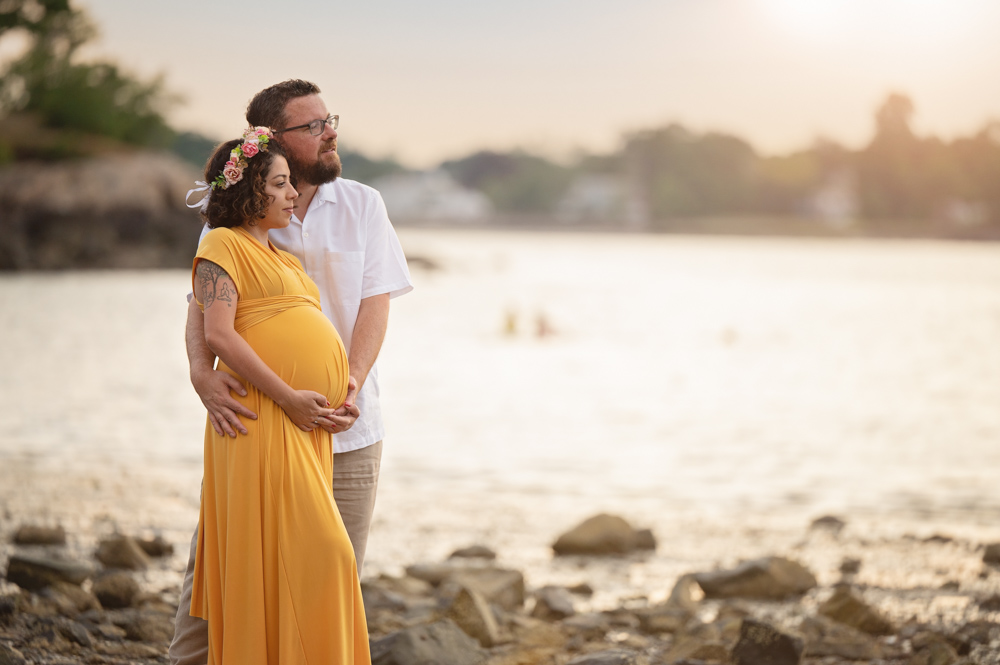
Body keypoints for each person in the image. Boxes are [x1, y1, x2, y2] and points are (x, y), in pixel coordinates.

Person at [171, 80, 412, 665]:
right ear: (270, 142)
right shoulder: (229, 222)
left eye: (329, 119)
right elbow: (204, 309)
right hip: (256, 426)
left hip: (346, 428)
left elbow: (375, 304)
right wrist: (202, 374)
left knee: (333, 569)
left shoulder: (362, 204)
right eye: (312, 126)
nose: (330, 131)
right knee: (224, 572)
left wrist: (347, 383)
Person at [189, 131, 369, 663]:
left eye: (291, 183)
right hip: (262, 419)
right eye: (280, 183)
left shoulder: (286, 259)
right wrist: (289, 396)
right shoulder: (221, 243)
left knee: (301, 560)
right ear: (249, 192)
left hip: (303, 425)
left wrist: (341, 392)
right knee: (328, 555)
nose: (293, 194)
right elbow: (218, 333)